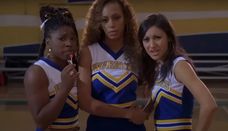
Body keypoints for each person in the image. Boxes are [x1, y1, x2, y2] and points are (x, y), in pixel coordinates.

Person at [138, 14, 217, 131]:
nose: (152, 45)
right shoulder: (159, 67)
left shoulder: (179, 65)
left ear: (169, 37)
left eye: (157, 38)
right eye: (146, 39)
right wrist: (139, 112)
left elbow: (209, 105)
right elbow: (159, 99)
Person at [78, 0, 147, 131]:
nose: (111, 24)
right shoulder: (89, 52)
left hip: (132, 127)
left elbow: (153, 90)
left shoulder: (138, 51)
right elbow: (84, 102)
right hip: (99, 126)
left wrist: (144, 110)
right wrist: (127, 114)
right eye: (105, 20)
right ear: (97, 23)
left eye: (116, 18)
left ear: (126, 19)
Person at [24, 6, 80, 131]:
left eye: (72, 38)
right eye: (62, 38)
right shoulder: (37, 72)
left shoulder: (73, 68)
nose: (69, 43)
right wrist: (65, 89)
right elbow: (41, 121)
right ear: (48, 42)